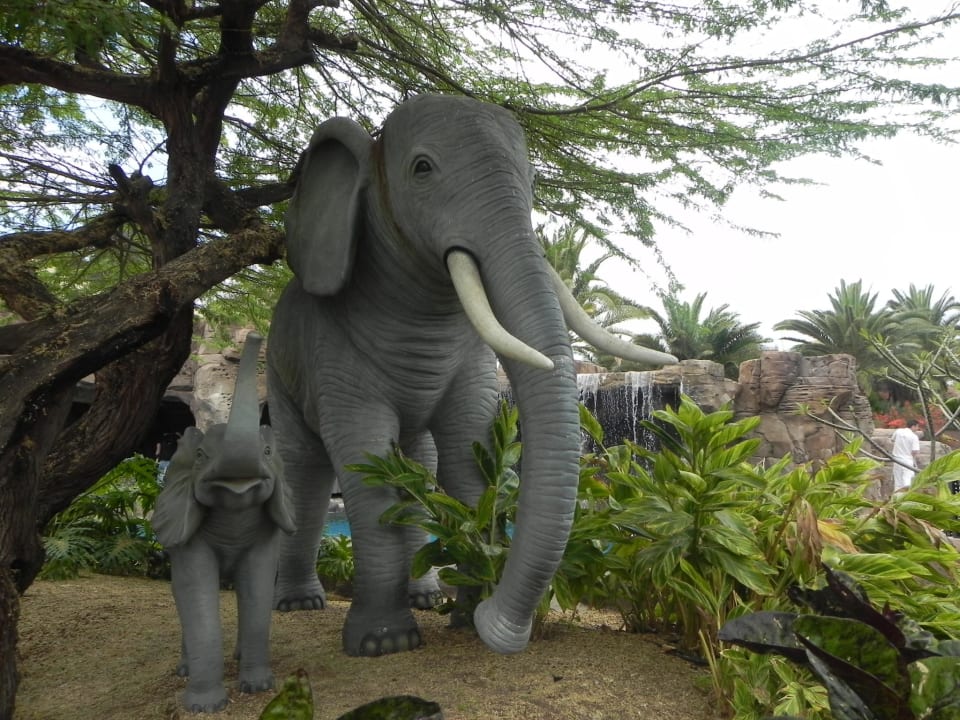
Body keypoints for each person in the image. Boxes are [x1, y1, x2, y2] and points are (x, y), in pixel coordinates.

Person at [891, 419, 922, 491]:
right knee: (907, 480)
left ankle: (897, 497)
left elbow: (892, 440)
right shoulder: (914, 436)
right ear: (913, 426)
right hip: (907, 460)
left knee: (898, 481)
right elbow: (915, 451)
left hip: (896, 459)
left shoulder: (898, 431)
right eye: (917, 427)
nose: (917, 429)